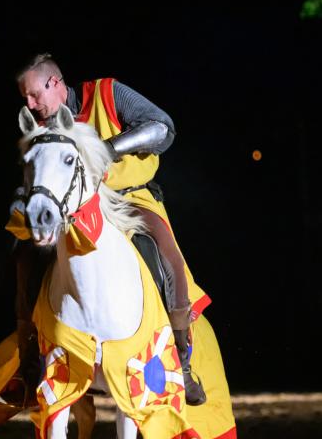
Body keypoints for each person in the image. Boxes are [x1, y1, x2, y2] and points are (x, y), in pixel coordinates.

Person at [13, 53, 209, 404]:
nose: (29, 104)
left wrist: (108, 149)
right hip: (74, 207)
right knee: (25, 255)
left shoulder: (106, 93)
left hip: (127, 199)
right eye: (24, 98)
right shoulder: (41, 127)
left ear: (55, 83)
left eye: (33, 95)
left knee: (165, 252)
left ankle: (181, 360)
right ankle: (29, 362)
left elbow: (162, 127)